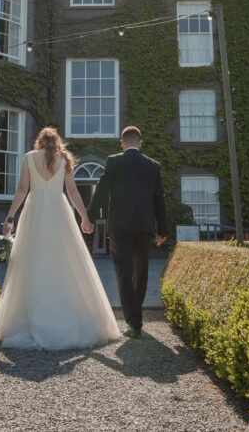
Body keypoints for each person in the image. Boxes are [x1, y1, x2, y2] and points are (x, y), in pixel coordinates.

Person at [0, 127, 120, 349]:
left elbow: (23, 189)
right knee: (64, 260)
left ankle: (32, 315)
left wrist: (10, 218)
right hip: (59, 211)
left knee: (31, 260)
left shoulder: (29, 158)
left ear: (39, 142)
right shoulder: (64, 159)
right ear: (57, 142)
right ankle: (67, 315)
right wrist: (85, 219)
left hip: (34, 211)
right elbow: (72, 192)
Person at [88, 125, 169, 338]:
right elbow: (159, 200)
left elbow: (102, 191)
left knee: (123, 273)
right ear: (140, 143)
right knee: (140, 273)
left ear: (122, 143)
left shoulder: (114, 161)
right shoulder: (153, 166)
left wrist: (89, 217)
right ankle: (136, 318)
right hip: (144, 227)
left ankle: (134, 322)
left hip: (119, 227)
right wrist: (163, 228)